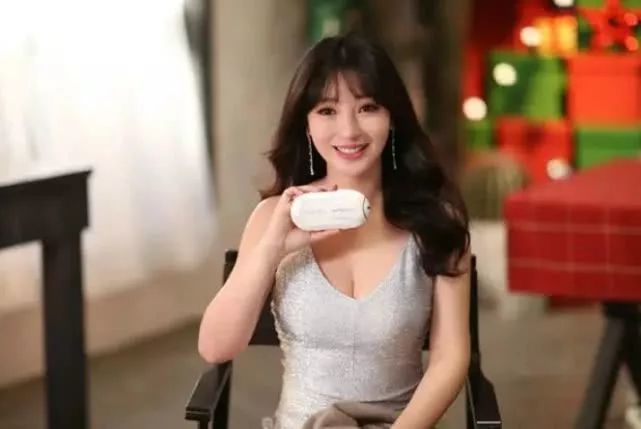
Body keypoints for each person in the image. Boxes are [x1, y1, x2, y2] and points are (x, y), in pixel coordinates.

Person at [198, 33, 471, 429]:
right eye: (327, 110)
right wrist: (273, 247)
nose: (349, 130)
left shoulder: (436, 222)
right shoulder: (274, 217)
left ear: (392, 118)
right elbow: (215, 348)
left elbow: (450, 358)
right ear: (306, 124)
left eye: (368, 108)